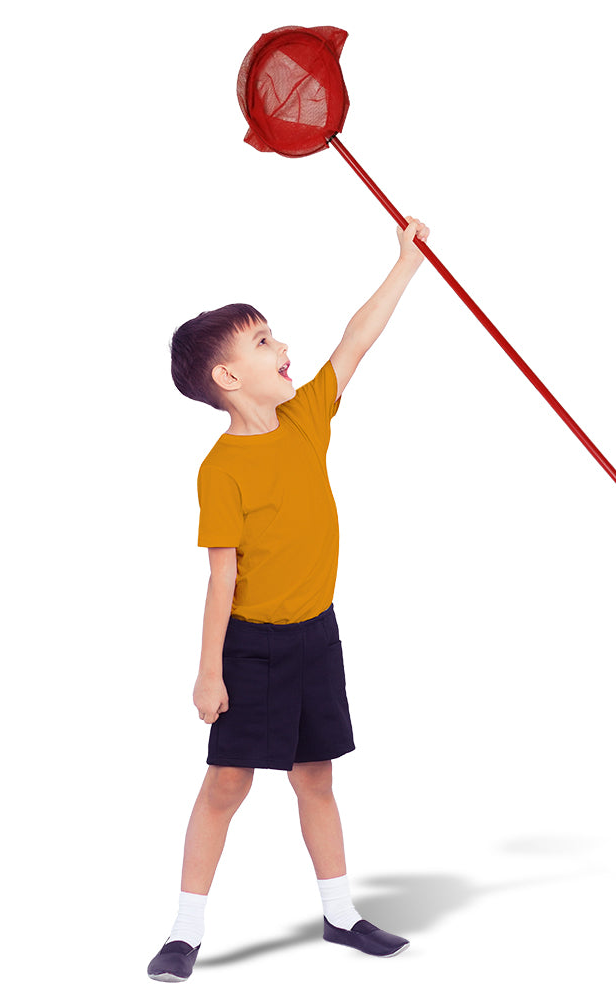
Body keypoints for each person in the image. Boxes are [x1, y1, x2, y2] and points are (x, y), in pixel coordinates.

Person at [147, 216, 430, 982]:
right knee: (226, 784)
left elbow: (355, 341)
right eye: (263, 340)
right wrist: (211, 671)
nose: (283, 346)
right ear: (228, 377)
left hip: (314, 636)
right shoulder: (220, 469)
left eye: (274, 335)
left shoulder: (305, 419)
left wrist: (406, 263)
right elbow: (222, 576)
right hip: (251, 646)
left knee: (316, 777)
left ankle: (341, 915)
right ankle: (184, 930)